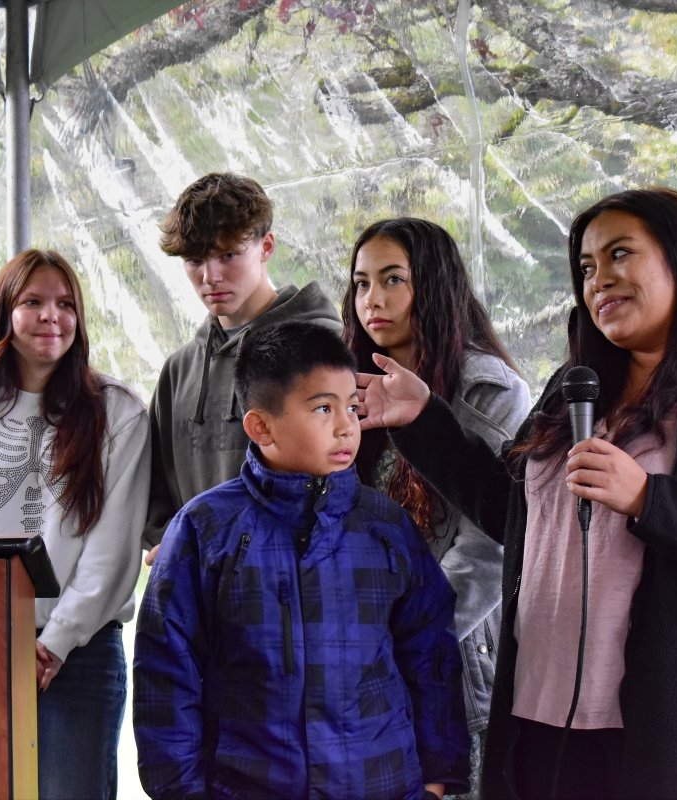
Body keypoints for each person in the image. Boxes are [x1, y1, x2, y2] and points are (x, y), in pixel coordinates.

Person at [356, 188, 677, 799]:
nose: (598, 279)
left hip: (665, 736)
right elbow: (513, 516)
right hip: (539, 718)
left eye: (620, 255)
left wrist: (649, 499)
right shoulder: (576, 388)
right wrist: (425, 419)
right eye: (585, 267)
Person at [134, 320, 470, 800]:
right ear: (261, 426)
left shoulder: (386, 528)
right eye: (322, 408)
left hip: (382, 784)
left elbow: (431, 655)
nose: (345, 427)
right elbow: (165, 675)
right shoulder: (204, 530)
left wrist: (435, 782)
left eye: (351, 408)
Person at [0, 249, 150, 800]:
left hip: (82, 652)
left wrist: (57, 641)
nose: (53, 316)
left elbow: (113, 547)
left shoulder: (118, 412)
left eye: (66, 304)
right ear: (4, 312)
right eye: (34, 302)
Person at [344, 217, 531, 798]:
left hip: (455, 662)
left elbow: (490, 546)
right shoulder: (347, 387)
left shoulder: (488, 389)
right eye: (360, 283)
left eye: (392, 279)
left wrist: (403, 641)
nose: (372, 300)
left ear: (434, 285)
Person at [143, 173, 341, 564]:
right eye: (194, 260)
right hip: (200, 598)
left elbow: (344, 477)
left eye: (228, 255)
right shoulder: (178, 371)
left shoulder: (324, 348)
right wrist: (176, 547)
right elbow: (155, 493)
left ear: (266, 246)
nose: (210, 276)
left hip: (300, 595)